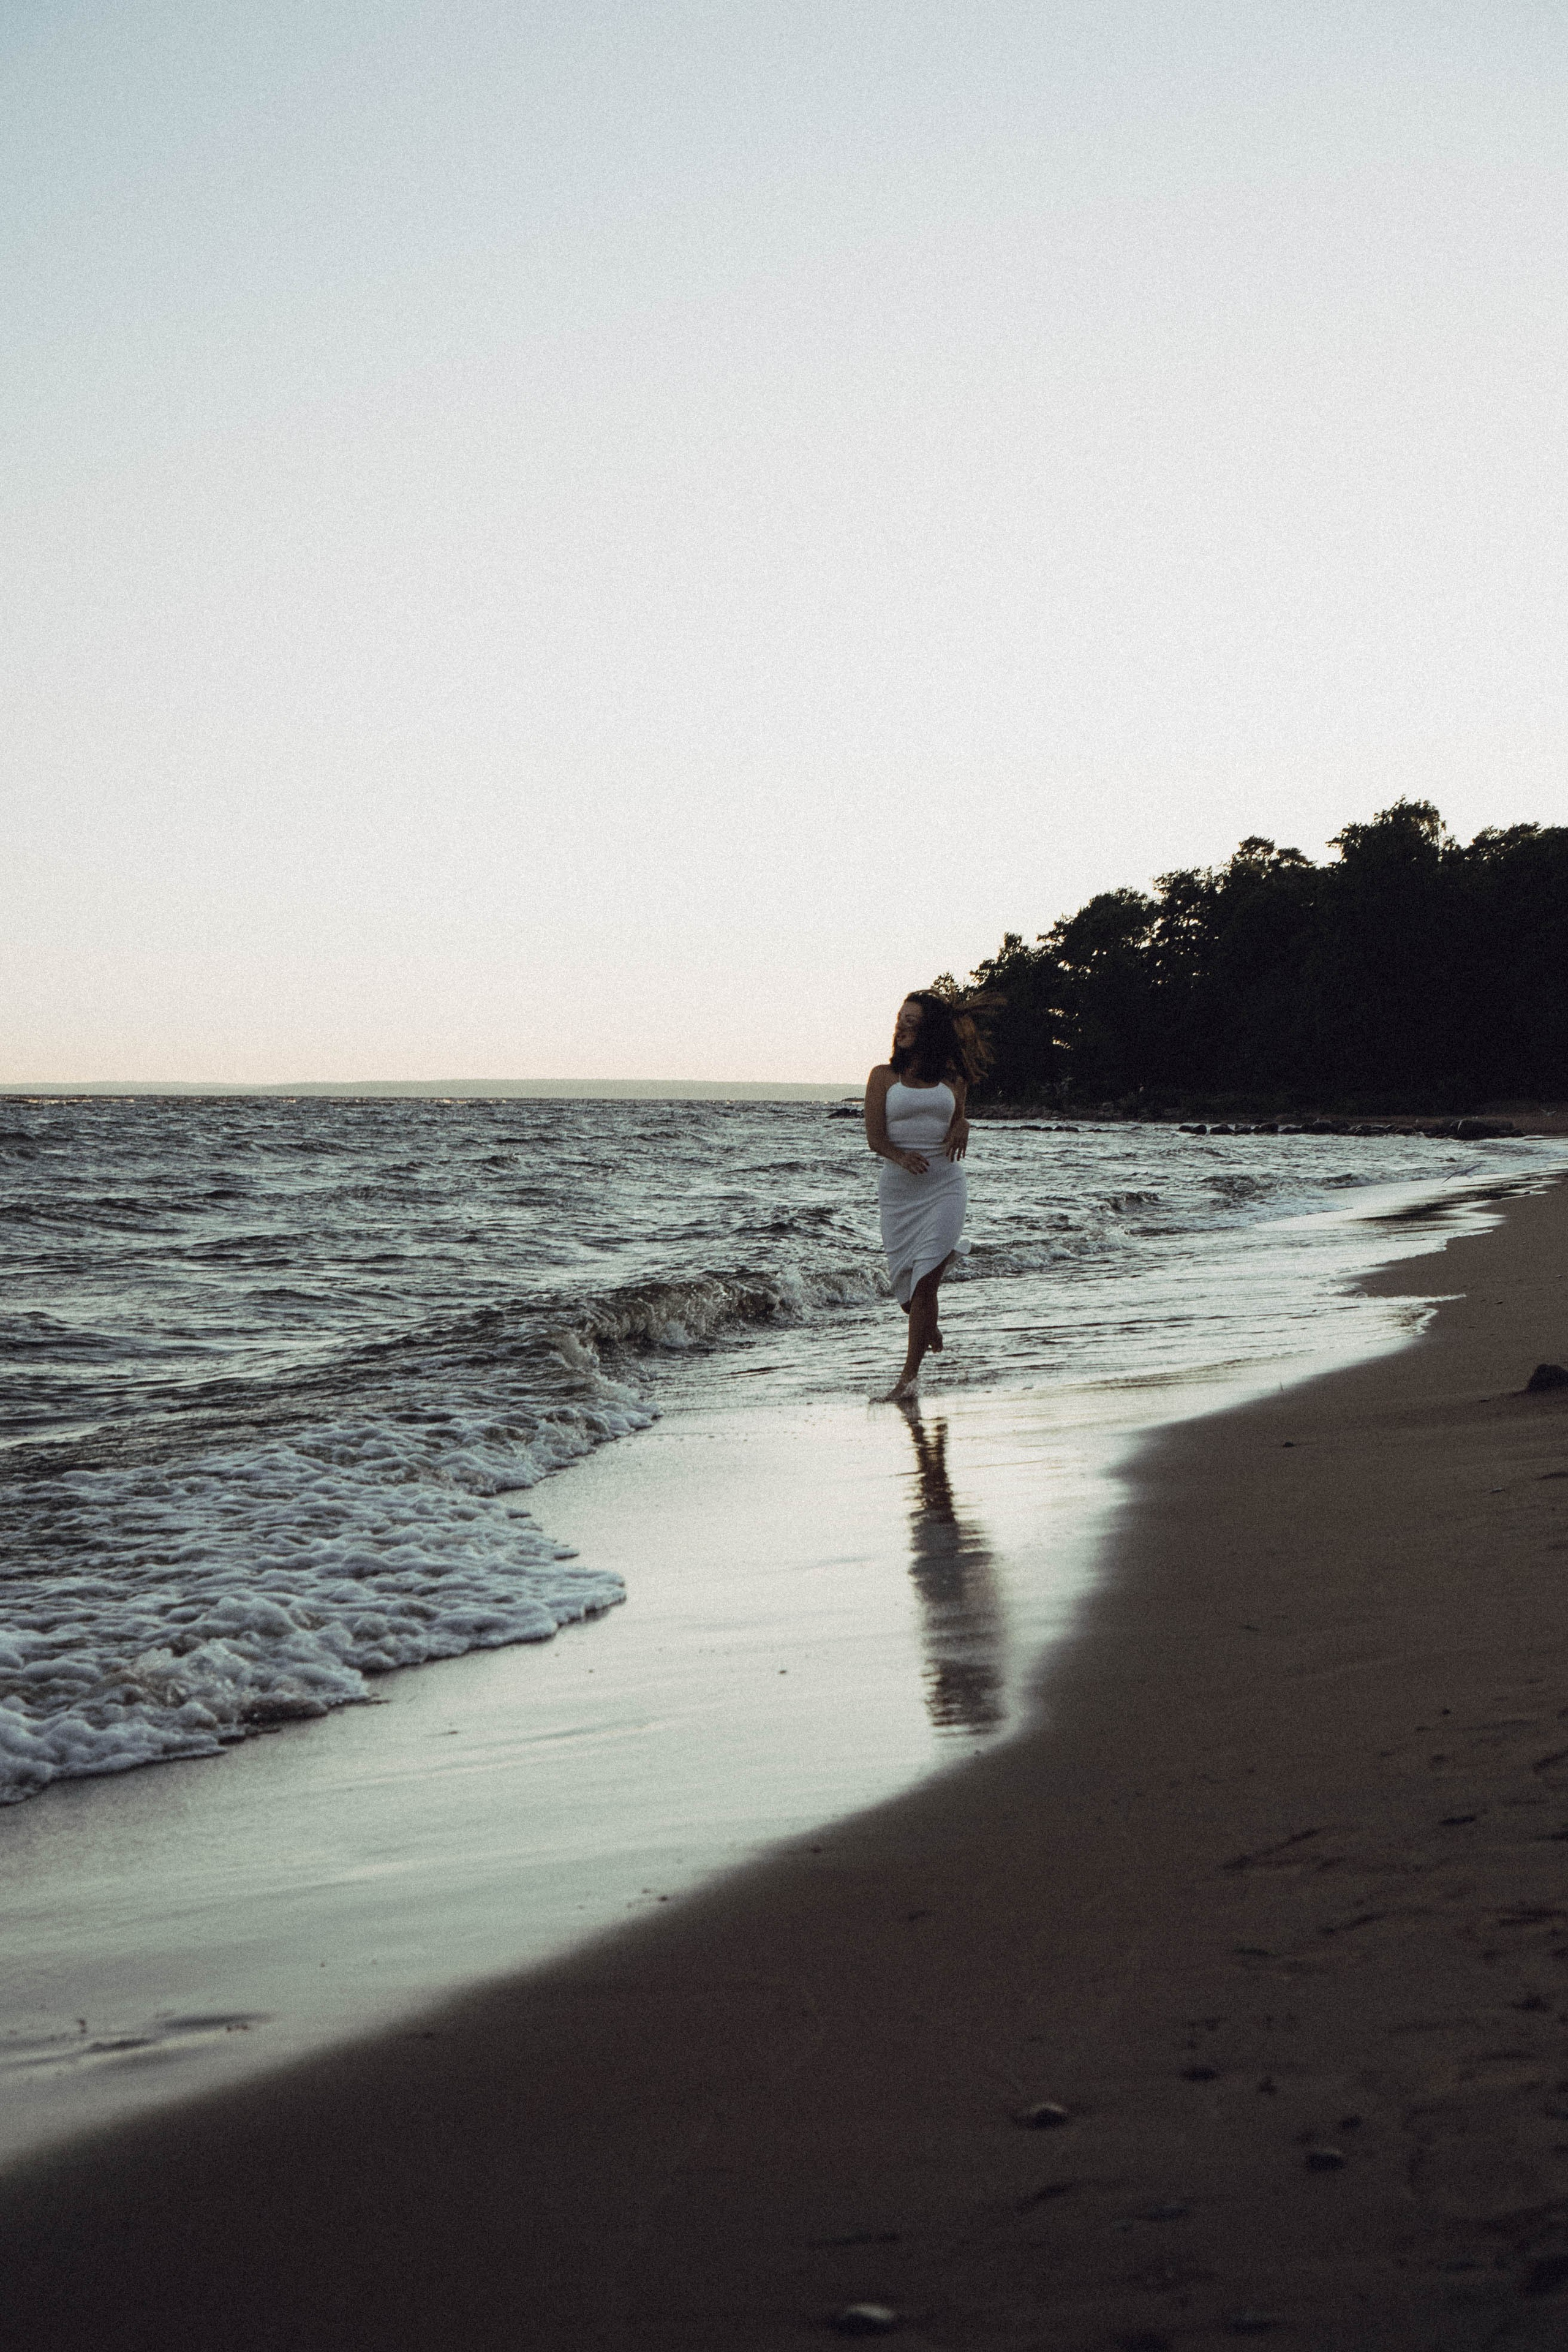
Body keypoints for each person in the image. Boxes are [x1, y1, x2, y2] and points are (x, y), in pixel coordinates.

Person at [864, 991, 983, 1398]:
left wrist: (963, 1123)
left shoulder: (954, 1078)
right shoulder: (882, 1076)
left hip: (945, 1186)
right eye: (901, 1018)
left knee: (924, 1288)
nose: (902, 1026)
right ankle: (927, 1323)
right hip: (899, 1193)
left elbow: (957, 1119)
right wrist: (899, 1156)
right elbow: (875, 1139)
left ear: (929, 1028)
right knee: (909, 1295)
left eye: (913, 1021)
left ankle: (907, 1380)